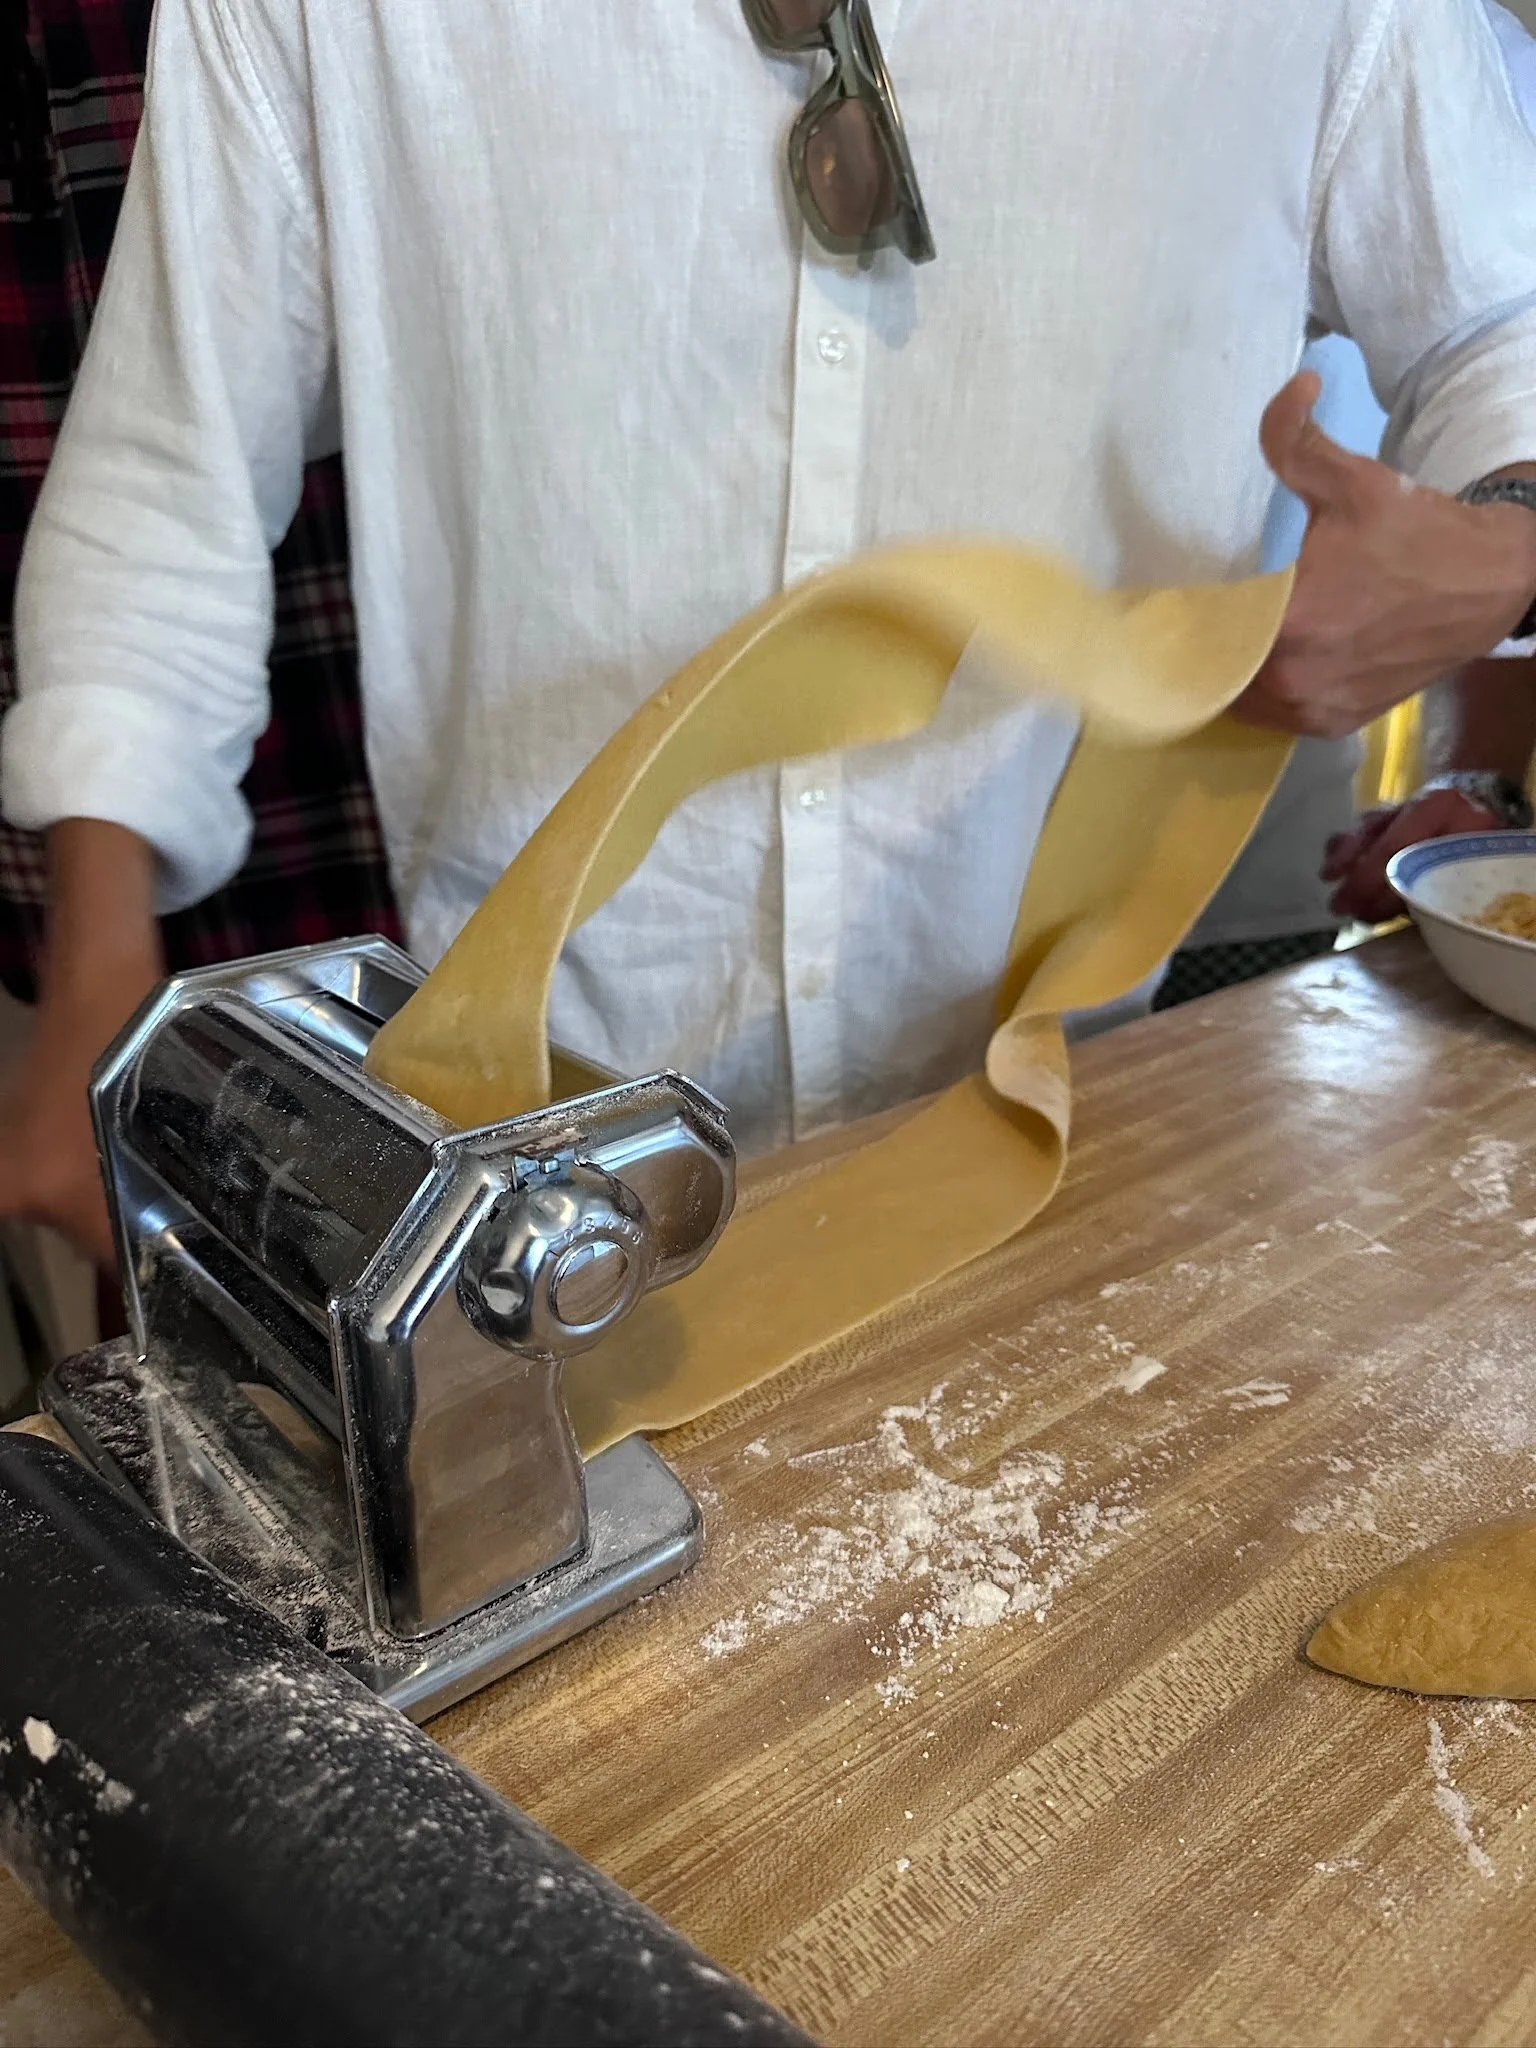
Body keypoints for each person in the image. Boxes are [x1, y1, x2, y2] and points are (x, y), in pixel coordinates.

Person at [5, 0, 1536, 1271]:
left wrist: (1502, 535)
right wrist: (94, 982)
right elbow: (170, 470)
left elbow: (1499, 325)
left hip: (1061, 1096)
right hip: (532, 1146)